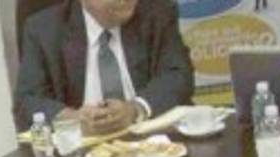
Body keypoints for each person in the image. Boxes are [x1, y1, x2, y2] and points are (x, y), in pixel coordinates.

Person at [12, 0, 193, 134]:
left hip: (151, 141)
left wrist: (135, 109)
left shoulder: (157, 13)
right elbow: (27, 100)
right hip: (81, 152)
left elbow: (178, 75)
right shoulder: (44, 29)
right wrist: (72, 119)